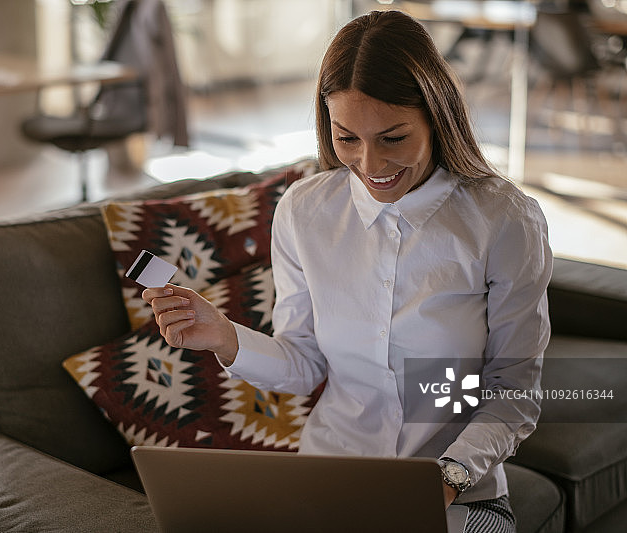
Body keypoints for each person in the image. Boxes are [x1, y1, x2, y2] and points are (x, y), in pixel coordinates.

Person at [143, 10, 551, 533]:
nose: (371, 165)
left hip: (459, 493)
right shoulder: (304, 210)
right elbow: (306, 362)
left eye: (393, 138)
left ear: (436, 115)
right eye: (347, 139)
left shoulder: (503, 219)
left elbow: (512, 389)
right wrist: (225, 337)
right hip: (331, 480)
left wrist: (447, 477)